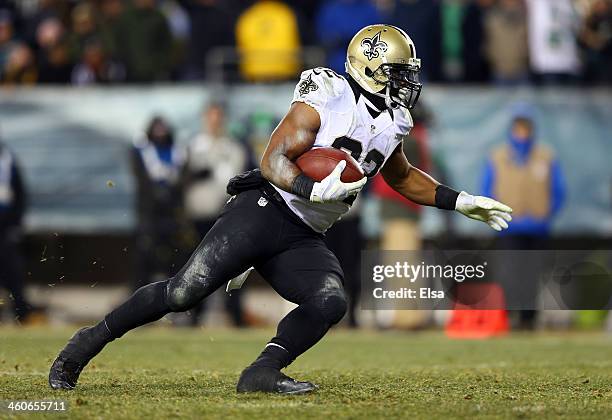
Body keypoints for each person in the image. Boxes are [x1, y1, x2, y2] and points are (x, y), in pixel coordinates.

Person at [49, 24, 512, 394]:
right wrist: (313, 189)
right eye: (399, 72)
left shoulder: (394, 121)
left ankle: (262, 372)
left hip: (304, 233)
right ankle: (84, 344)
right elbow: (272, 161)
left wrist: (460, 200)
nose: (408, 83)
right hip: (266, 208)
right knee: (182, 295)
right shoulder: (328, 93)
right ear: (371, 69)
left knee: (330, 301)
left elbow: (401, 176)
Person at [482, 104, 565, 328]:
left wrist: (545, 216)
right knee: (509, 273)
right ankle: (508, 315)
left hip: (537, 228)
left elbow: (558, 191)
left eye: (525, 126)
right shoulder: (498, 156)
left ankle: (528, 318)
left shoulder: (546, 156)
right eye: (518, 126)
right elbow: (487, 189)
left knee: (532, 274)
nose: (522, 131)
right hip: (509, 227)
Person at [182, 103, 248, 326]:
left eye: (218, 117)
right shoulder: (193, 146)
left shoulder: (234, 148)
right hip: (199, 215)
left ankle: (235, 315)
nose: (214, 122)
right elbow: (182, 181)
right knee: (197, 266)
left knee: (233, 266)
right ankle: (194, 316)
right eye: (211, 117)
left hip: (226, 215)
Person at [131, 116, 188, 290]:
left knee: (176, 256)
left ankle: (176, 298)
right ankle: (138, 297)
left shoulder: (179, 151)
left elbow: (184, 177)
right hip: (150, 213)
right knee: (145, 255)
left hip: (172, 213)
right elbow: (140, 178)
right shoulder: (141, 151)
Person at [0, 139, 30, 322]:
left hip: (6, 226)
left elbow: (20, 194)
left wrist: (16, 224)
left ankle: (22, 314)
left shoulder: (9, 160)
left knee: (13, 272)